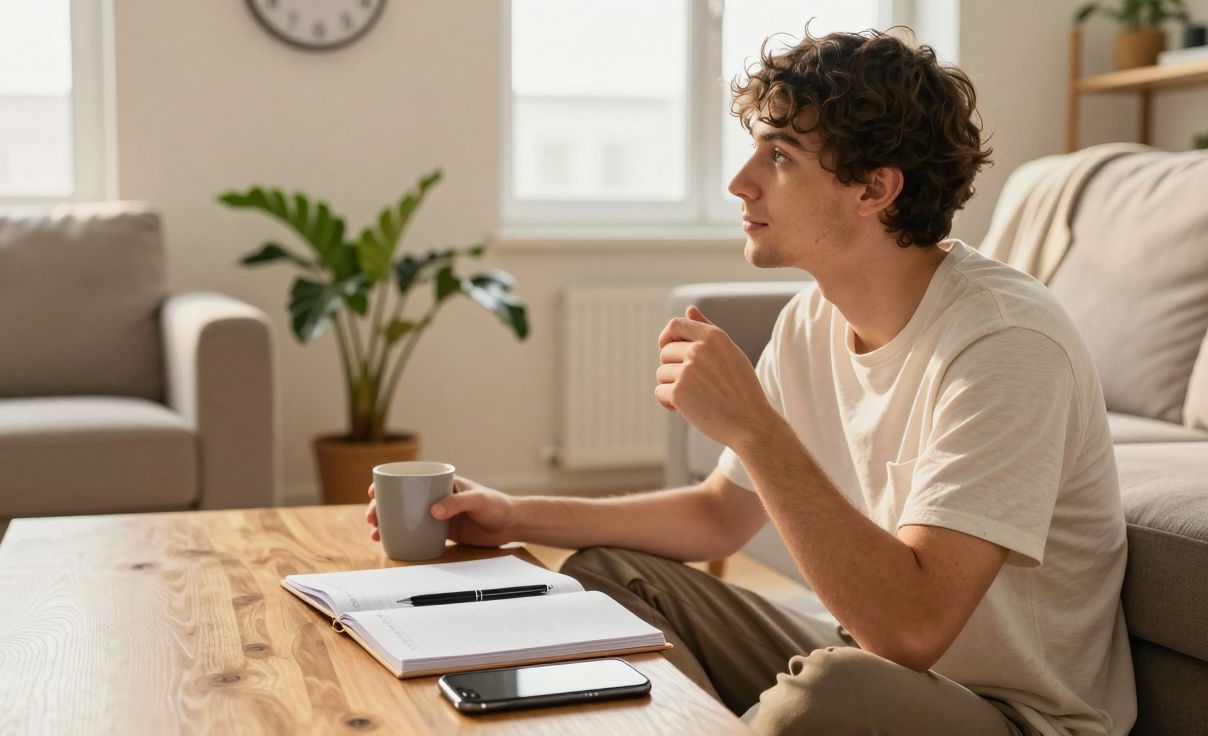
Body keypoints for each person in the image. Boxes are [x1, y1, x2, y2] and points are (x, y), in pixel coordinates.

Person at [366, 28, 1135, 736]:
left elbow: (912, 630)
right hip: (869, 661)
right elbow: (715, 519)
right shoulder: (811, 320)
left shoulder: (1004, 342)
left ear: (875, 191)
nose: (740, 182)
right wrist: (511, 514)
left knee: (828, 694)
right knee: (610, 576)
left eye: (779, 157)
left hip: (1015, 717)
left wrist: (754, 428)